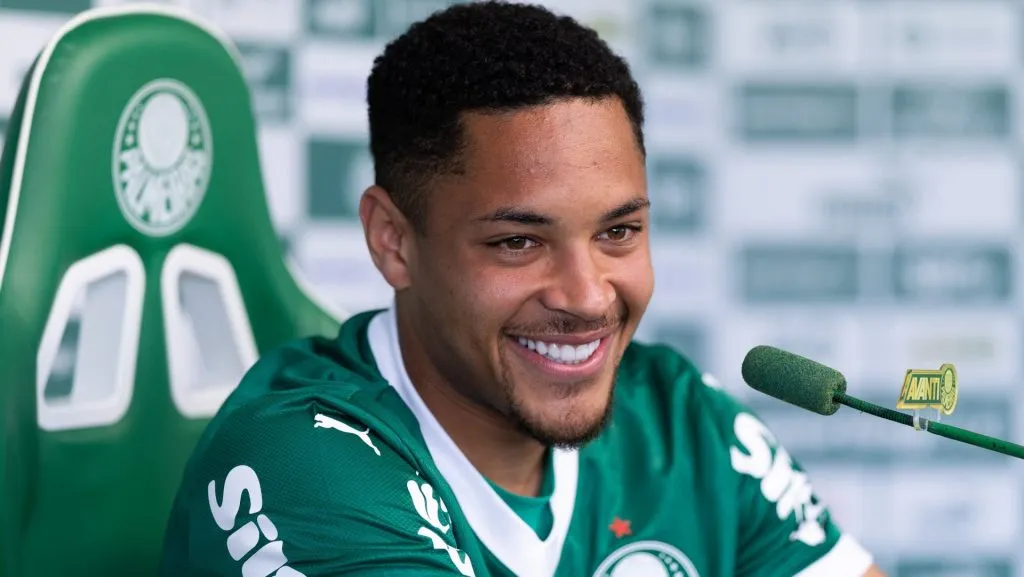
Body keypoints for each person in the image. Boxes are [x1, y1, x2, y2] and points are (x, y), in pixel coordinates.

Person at [158, 2, 886, 576]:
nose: (588, 297)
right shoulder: (304, 461)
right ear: (393, 240)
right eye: (518, 242)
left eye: (618, 231)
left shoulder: (679, 419)